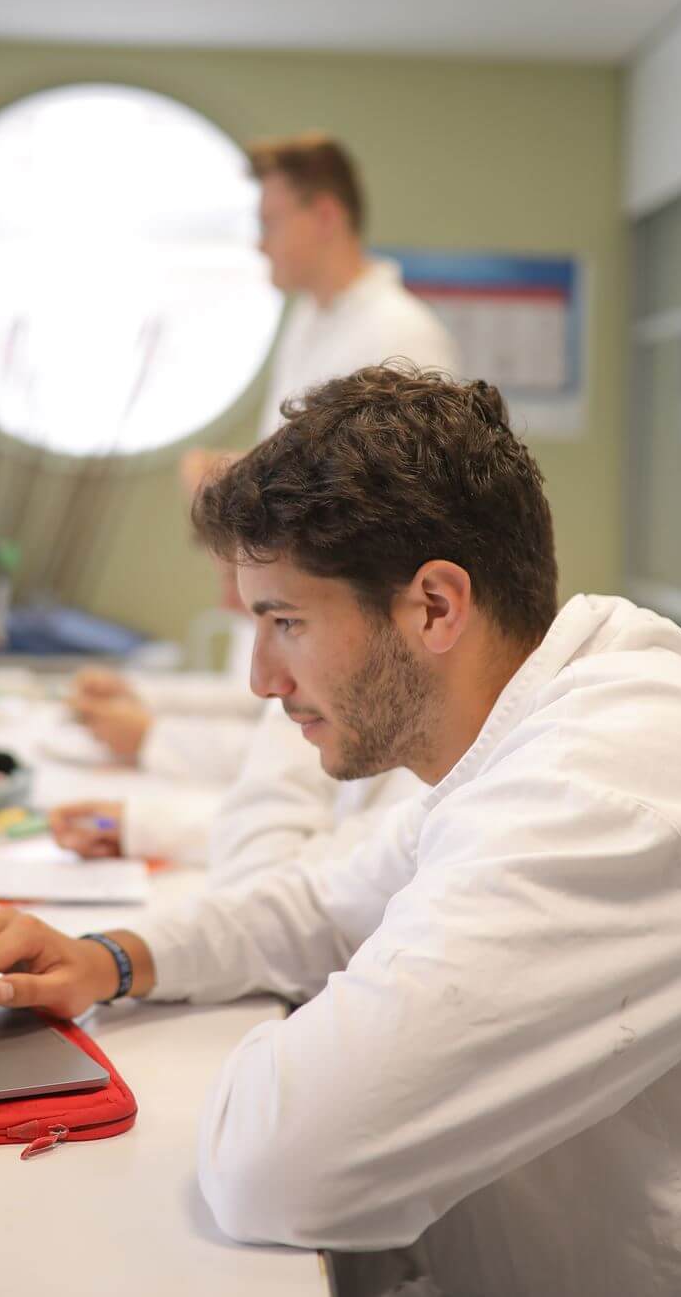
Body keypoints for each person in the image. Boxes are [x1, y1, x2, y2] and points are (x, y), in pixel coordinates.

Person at [0, 365, 681, 1295]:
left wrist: (287, 1045)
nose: (258, 678)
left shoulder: (607, 789)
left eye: (284, 622)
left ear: (434, 606)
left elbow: (277, 1164)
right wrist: (112, 958)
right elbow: (326, 896)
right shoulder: (543, 730)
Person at [54, 135, 453, 871]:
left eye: (270, 220)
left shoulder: (398, 335)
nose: (257, 241)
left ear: (325, 214)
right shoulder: (313, 321)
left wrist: (150, 756)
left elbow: (374, 522)